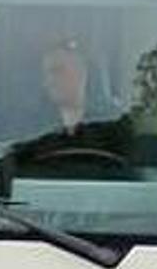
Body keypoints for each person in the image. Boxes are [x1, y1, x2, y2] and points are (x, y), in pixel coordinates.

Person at [8, 41, 132, 178]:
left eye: (58, 71)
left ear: (82, 73)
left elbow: (132, 177)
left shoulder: (114, 125)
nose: (49, 80)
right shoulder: (30, 128)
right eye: (45, 74)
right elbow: (15, 176)